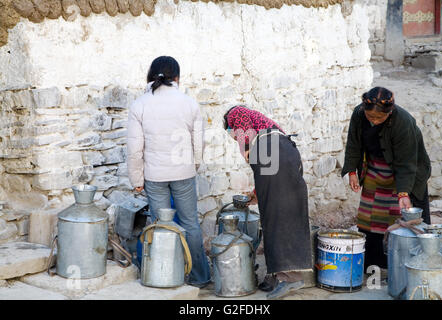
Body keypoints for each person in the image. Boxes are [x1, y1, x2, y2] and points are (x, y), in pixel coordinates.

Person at [127, 56, 211, 288]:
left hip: (154, 176)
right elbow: (199, 142)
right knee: (190, 223)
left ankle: (158, 274)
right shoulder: (189, 103)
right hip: (183, 173)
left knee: (159, 224)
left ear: (151, 75)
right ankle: (200, 277)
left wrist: (136, 178)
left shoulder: (140, 105)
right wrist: (192, 165)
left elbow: (135, 149)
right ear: (176, 77)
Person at [223, 105, 312, 299]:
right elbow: (273, 176)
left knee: (277, 216)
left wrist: (246, 150)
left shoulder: (235, 114)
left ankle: (289, 278)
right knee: (281, 212)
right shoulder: (270, 132)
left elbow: (244, 129)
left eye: (232, 132)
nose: (234, 135)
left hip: (273, 155)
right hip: (287, 155)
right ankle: (277, 274)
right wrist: (257, 194)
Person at [341, 86, 431, 271]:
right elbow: (353, 143)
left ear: (389, 113)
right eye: (370, 116)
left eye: (379, 118)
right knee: (370, 214)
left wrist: (404, 192)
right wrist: (351, 171)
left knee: (404, 214)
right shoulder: (359, 114)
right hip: (375, 167)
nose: (374, 121)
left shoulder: (403, 122)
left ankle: (413, 263)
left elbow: (407, 163)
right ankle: (374, 262)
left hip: (408, 168)